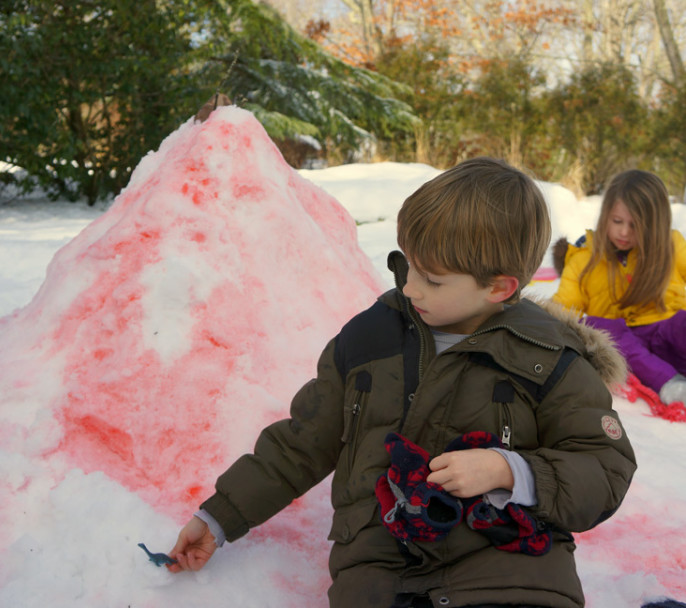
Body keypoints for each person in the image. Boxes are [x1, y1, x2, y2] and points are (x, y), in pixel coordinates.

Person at [168, 157, 637, 608]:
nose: (410, 287)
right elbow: (302, 442)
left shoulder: (548, 357)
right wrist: (221, 516)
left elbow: (604, 465)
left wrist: (507, 471)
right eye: (408, 265)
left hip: (509, 567)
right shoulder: (371, 338)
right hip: (380, 572)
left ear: (499, 288)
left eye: (432, 279)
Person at [552, 169, 686, 405]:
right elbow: (561, 310)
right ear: (605, 216)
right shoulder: (584, 258)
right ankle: (672, 387)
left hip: (667, 331)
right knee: (598, 328)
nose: (624, 232)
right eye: (617, 221)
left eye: (635, 225)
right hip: (626, 346)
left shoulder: (671, 245)